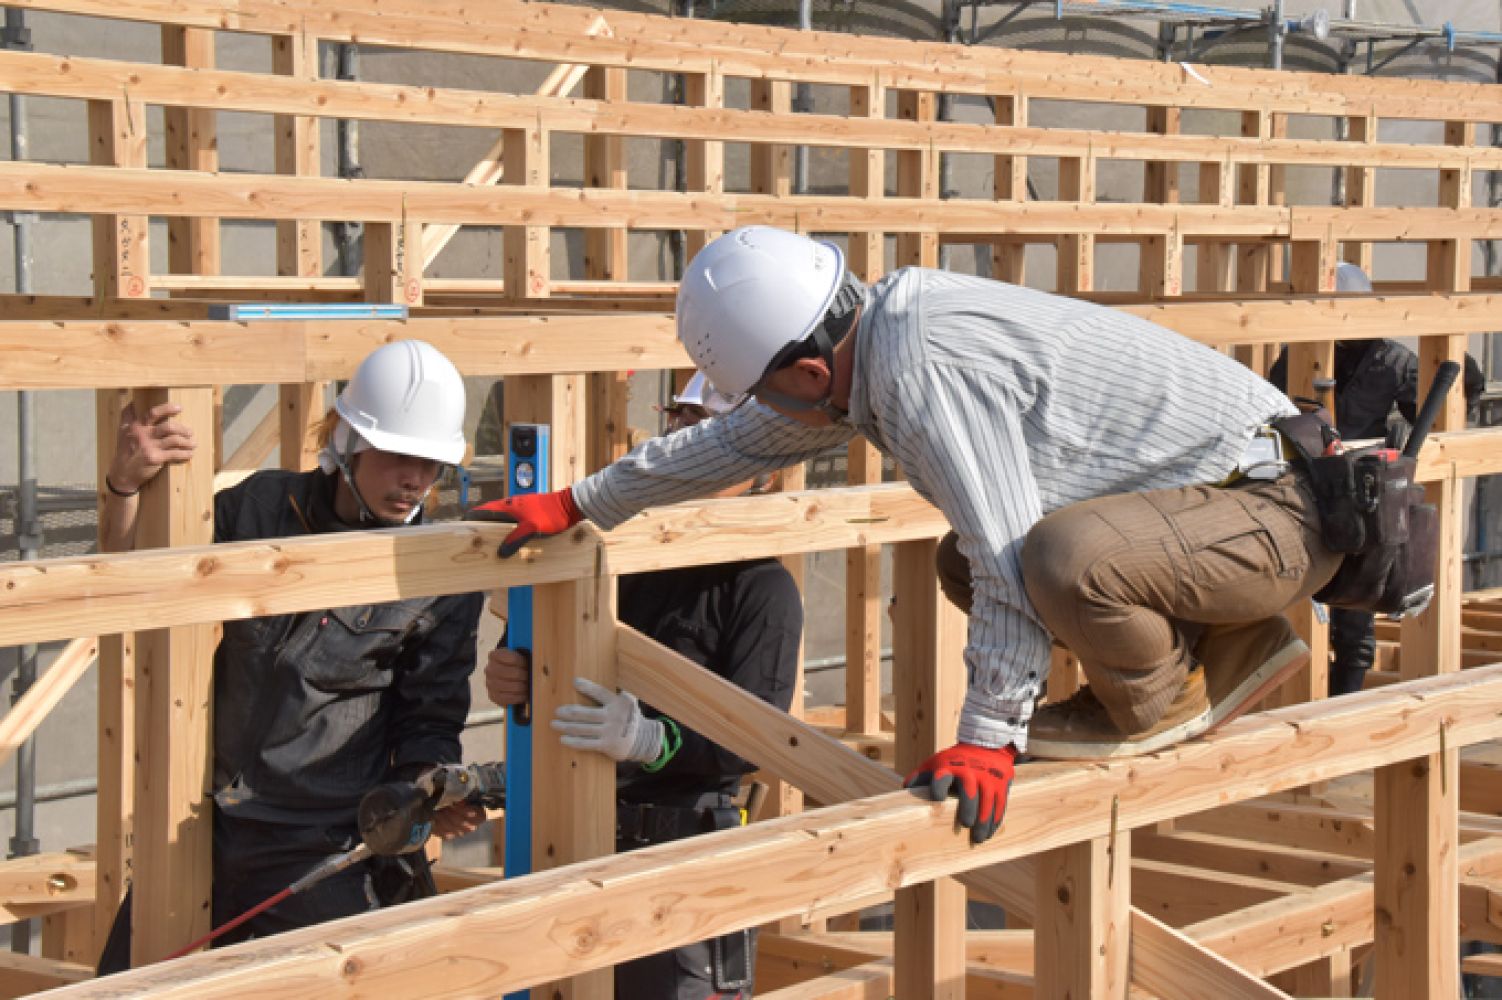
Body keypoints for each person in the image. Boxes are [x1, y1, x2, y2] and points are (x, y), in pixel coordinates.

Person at [466, 224, 1347, 846]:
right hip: (1232, 516)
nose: (768, 411)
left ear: (810, 371)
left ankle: (1164, 698)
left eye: (768, 389)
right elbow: (737, 440)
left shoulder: (921, 371)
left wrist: (990, 737)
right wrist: (586, 500)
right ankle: (1227, 645)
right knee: (961, 561)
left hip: (1276, 513)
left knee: (1050, 561)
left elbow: (1009, 554)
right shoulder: (876, 338)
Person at [97, 340, 486, 969]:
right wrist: (125, 486)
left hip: (328, 844)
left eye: (432, 463)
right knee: (121, 985)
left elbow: (431, 717)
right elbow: (134, 582)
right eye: (396, 456)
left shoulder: (438, 569)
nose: (415, 479)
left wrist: (428, 795)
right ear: (347, 443)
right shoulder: (259, 510)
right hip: (210, 828)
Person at [483, 371, 801, 1000]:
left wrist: (653, 741)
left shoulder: (762, 589)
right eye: (680, 427)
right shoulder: (623, 554)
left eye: (707, 432)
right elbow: (558, 655)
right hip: (582, 838)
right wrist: (516, 669)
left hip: (686, 859)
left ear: (761, 468)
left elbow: (756, 741)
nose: (687, 447)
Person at [1268, 262, 1485, 696]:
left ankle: (1340, 704)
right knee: (1295, 607)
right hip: (1306, 494)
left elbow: (1439, 407)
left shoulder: (1391, 360)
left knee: (1354, 616)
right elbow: (1276, 408)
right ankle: (1297, 699)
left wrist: (1460, 366)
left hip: (1362, 501)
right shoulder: (1299, 354)